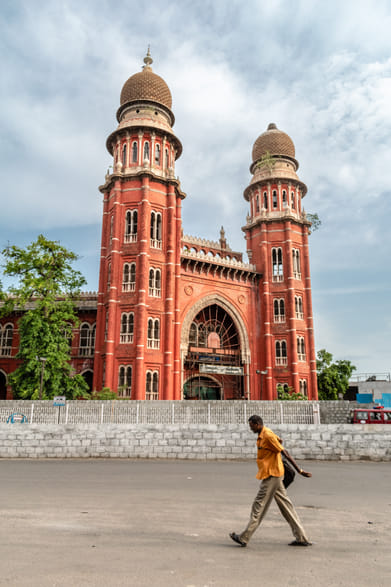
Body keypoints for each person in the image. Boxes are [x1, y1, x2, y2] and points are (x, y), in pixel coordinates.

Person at [229, 414, 312, 548]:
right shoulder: (264, 434)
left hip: (272, 475)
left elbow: (284, 452)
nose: (251, 429)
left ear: (257, 424)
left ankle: (244, 537)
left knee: (258, 505)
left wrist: (299, 470)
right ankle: (302, 537)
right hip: (274, 474)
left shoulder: (267, 435)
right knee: (286, 507)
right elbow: (280, 441)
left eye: (251, 426)